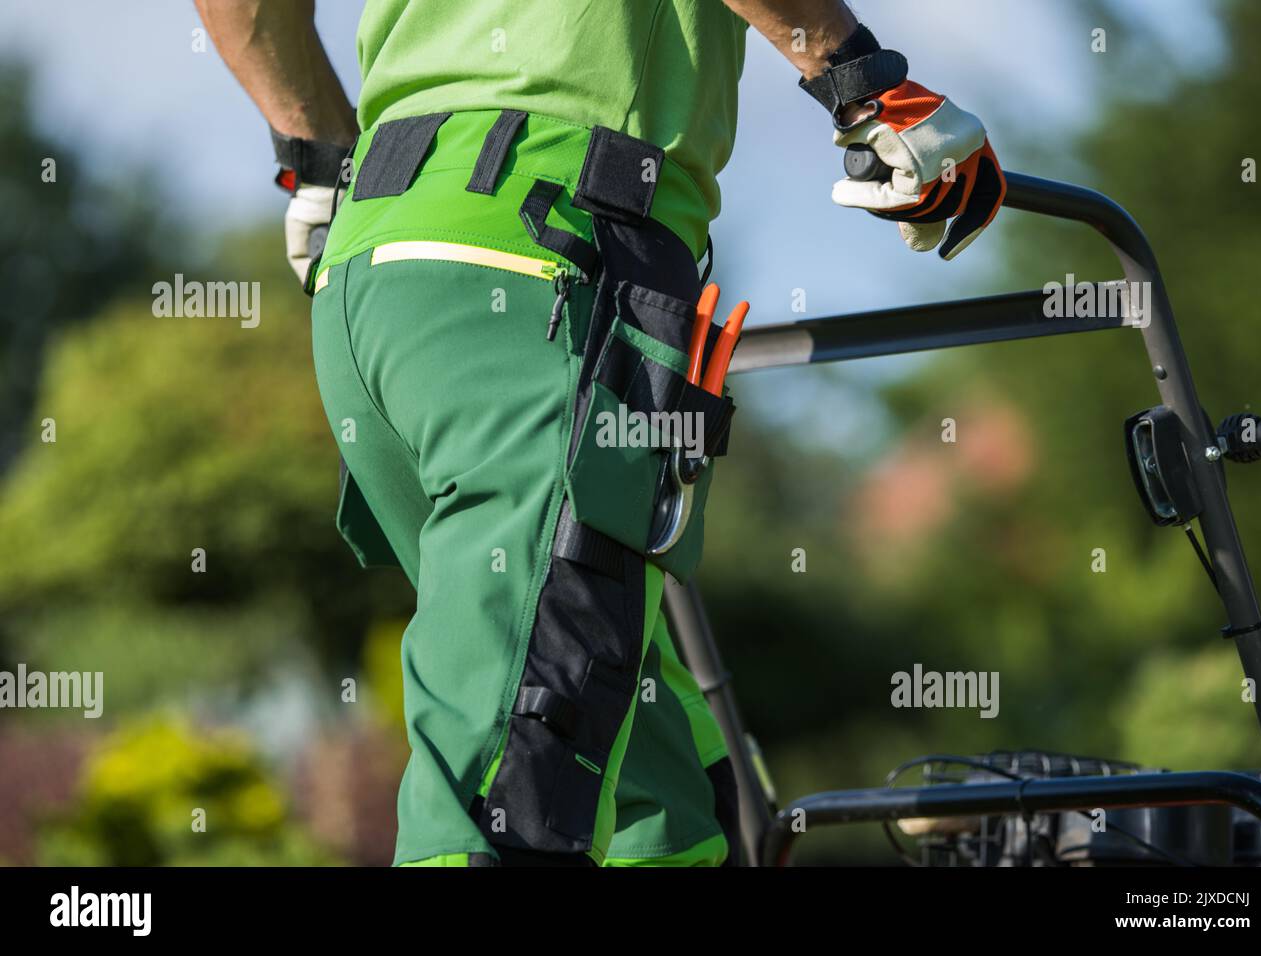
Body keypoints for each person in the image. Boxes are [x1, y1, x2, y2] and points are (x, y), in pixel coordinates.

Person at [194, 0, 1005, 867]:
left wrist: (318, 152)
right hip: (543, 263)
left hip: (371, 275)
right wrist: (863, 83)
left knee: (661, 791)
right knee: (505, 803)